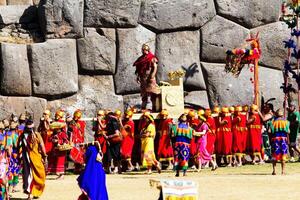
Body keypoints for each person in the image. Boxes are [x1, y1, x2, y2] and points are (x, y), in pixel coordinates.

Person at [18, 118, 47, 200]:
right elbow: (42, 146)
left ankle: (33, 193)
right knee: (36, 175)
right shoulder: (35, 135)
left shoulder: (22, 135)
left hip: (28, 158)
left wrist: (20, 158)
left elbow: (19, 148)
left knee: (29, 175)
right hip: (33, 158)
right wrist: (45, 156)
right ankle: (32, 193)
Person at [133, 44, 160, 111]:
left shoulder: (152, 57)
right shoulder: (141, 59)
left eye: (146, 49)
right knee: (144, 93)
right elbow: (139, 69)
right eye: (143, 50)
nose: (144, 51)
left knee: (152, 92)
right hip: (143, 78)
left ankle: (152, 107)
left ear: (148, 50)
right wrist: (138, 77)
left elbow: (155, 67)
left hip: (149, 77)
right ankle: (143, 107)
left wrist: (152, 76)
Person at [48, 110, 69, 179]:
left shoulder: (63, 133)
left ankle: (61, 174)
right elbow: (51, 137)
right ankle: (59, 174)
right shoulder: (55, 133)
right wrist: (54, 140)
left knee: (61, 160)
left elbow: (65, 139)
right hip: (56, 147)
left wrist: (60, 142)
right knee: (56, 159)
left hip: (61, 147)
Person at [269, 109, 289, 175]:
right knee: (283, 154)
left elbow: (269, 131)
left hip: (275, 140)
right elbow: (288, 131)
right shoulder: (286, 122)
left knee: (275, 155)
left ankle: (274, 171)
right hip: (283, 140)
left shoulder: (273, 122)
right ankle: (283, 171)